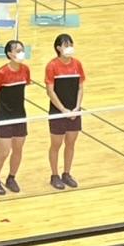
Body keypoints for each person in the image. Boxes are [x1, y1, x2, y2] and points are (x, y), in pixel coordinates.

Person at [0, 40, 31, 195]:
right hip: (4, 117)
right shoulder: (1, 73)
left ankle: (11, 178)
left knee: (18, 149)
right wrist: (1, 109)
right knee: (4, 151)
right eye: (18, 50)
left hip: (20, 115)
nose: (21, 53)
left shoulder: (25, 70)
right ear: (9, 54)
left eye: (22, 49)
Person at [45, 34, 85, 190]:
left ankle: (66, 173)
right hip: (58, 112)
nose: (70, 48)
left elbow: (80, 87)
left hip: (74, 112)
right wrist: (63, 110)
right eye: (66, 45)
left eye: (71, 44)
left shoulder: (77, 64)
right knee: (56, 144)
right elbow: (50, 91)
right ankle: (54, 175)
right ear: (58, 48)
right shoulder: (52, 66)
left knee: (70, 143)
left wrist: (77, 107)